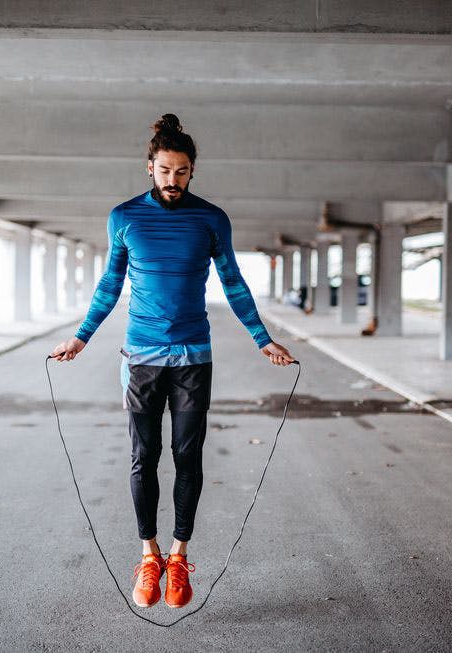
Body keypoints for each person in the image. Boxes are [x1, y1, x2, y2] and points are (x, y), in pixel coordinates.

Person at [51, 114, 295, 609]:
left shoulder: (211, 219)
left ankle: (179, 556)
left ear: (192, 171)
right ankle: (148, 555)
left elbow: (233, 283)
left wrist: (261, 339)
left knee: (188, 457)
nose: (173, 179)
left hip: (192, 356)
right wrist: (81, 338)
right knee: (144, 458)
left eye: (182, 171)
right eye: (165, 170)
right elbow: (110, 285)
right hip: (140, 355)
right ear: (150, 167)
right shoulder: (124, 217)